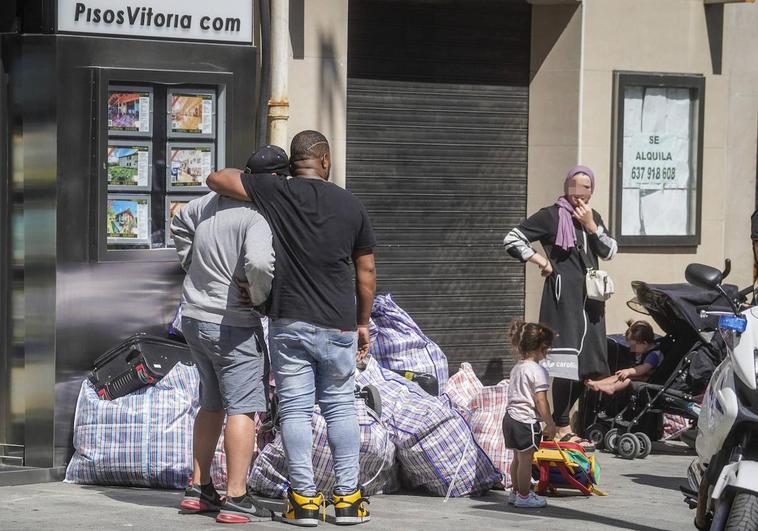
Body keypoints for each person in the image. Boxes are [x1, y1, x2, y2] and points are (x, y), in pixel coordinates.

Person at [206, 130, 376, 527]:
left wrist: (264, 183)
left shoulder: (276, 192)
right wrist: (363, 322)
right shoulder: (351, 204)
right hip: (338, 324)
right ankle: (349, 500)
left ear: (293, 163)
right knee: (339, 408)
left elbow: (216, 177)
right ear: (326, 161)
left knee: (296, 411)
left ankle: (303, 501)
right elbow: (366, 272)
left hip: (289, 321)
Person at [172, 146, 281, 524]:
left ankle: (198, 488)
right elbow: (260, 262)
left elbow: (178, 219)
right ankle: (236, 495)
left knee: (212, 403)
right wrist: (259, 296)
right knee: (243, 407)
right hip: (232, 322)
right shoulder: (259, 214)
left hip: (194, 316)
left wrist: (191, 263)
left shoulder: (210, 202)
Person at [503, 165, 617, 448]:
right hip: (562, 298)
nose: (580, 192)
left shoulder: (593, 217)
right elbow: (512, 238)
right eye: (575, 185)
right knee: (565, 363)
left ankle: (563, 420)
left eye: (587, 187)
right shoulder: (551, 215)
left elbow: (610, 250)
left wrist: (592, 227)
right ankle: (562, 423)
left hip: (590, 302)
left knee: (588, 365)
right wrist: (540, 260)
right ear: (566, 186)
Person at [503, 320, 556, 509]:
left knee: (517, 459)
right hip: (526, 420)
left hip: (510, 419)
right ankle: (524, 496)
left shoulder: (517, 367)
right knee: (526, 460)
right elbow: (540, 399)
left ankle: (516, 493)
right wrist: (550, 423)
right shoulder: (538, 370)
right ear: (542, 347)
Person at [585, 320, 662, 396]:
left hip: (650, 379)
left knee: (627, 380)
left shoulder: (654, 355)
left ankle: (612, 388)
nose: (632, 349)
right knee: (619, 376)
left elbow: (643, 369)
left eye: (633, 346)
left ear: (644, 343)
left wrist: (628, 371)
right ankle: (598, 383)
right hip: (642, 375)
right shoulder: (646, 349)